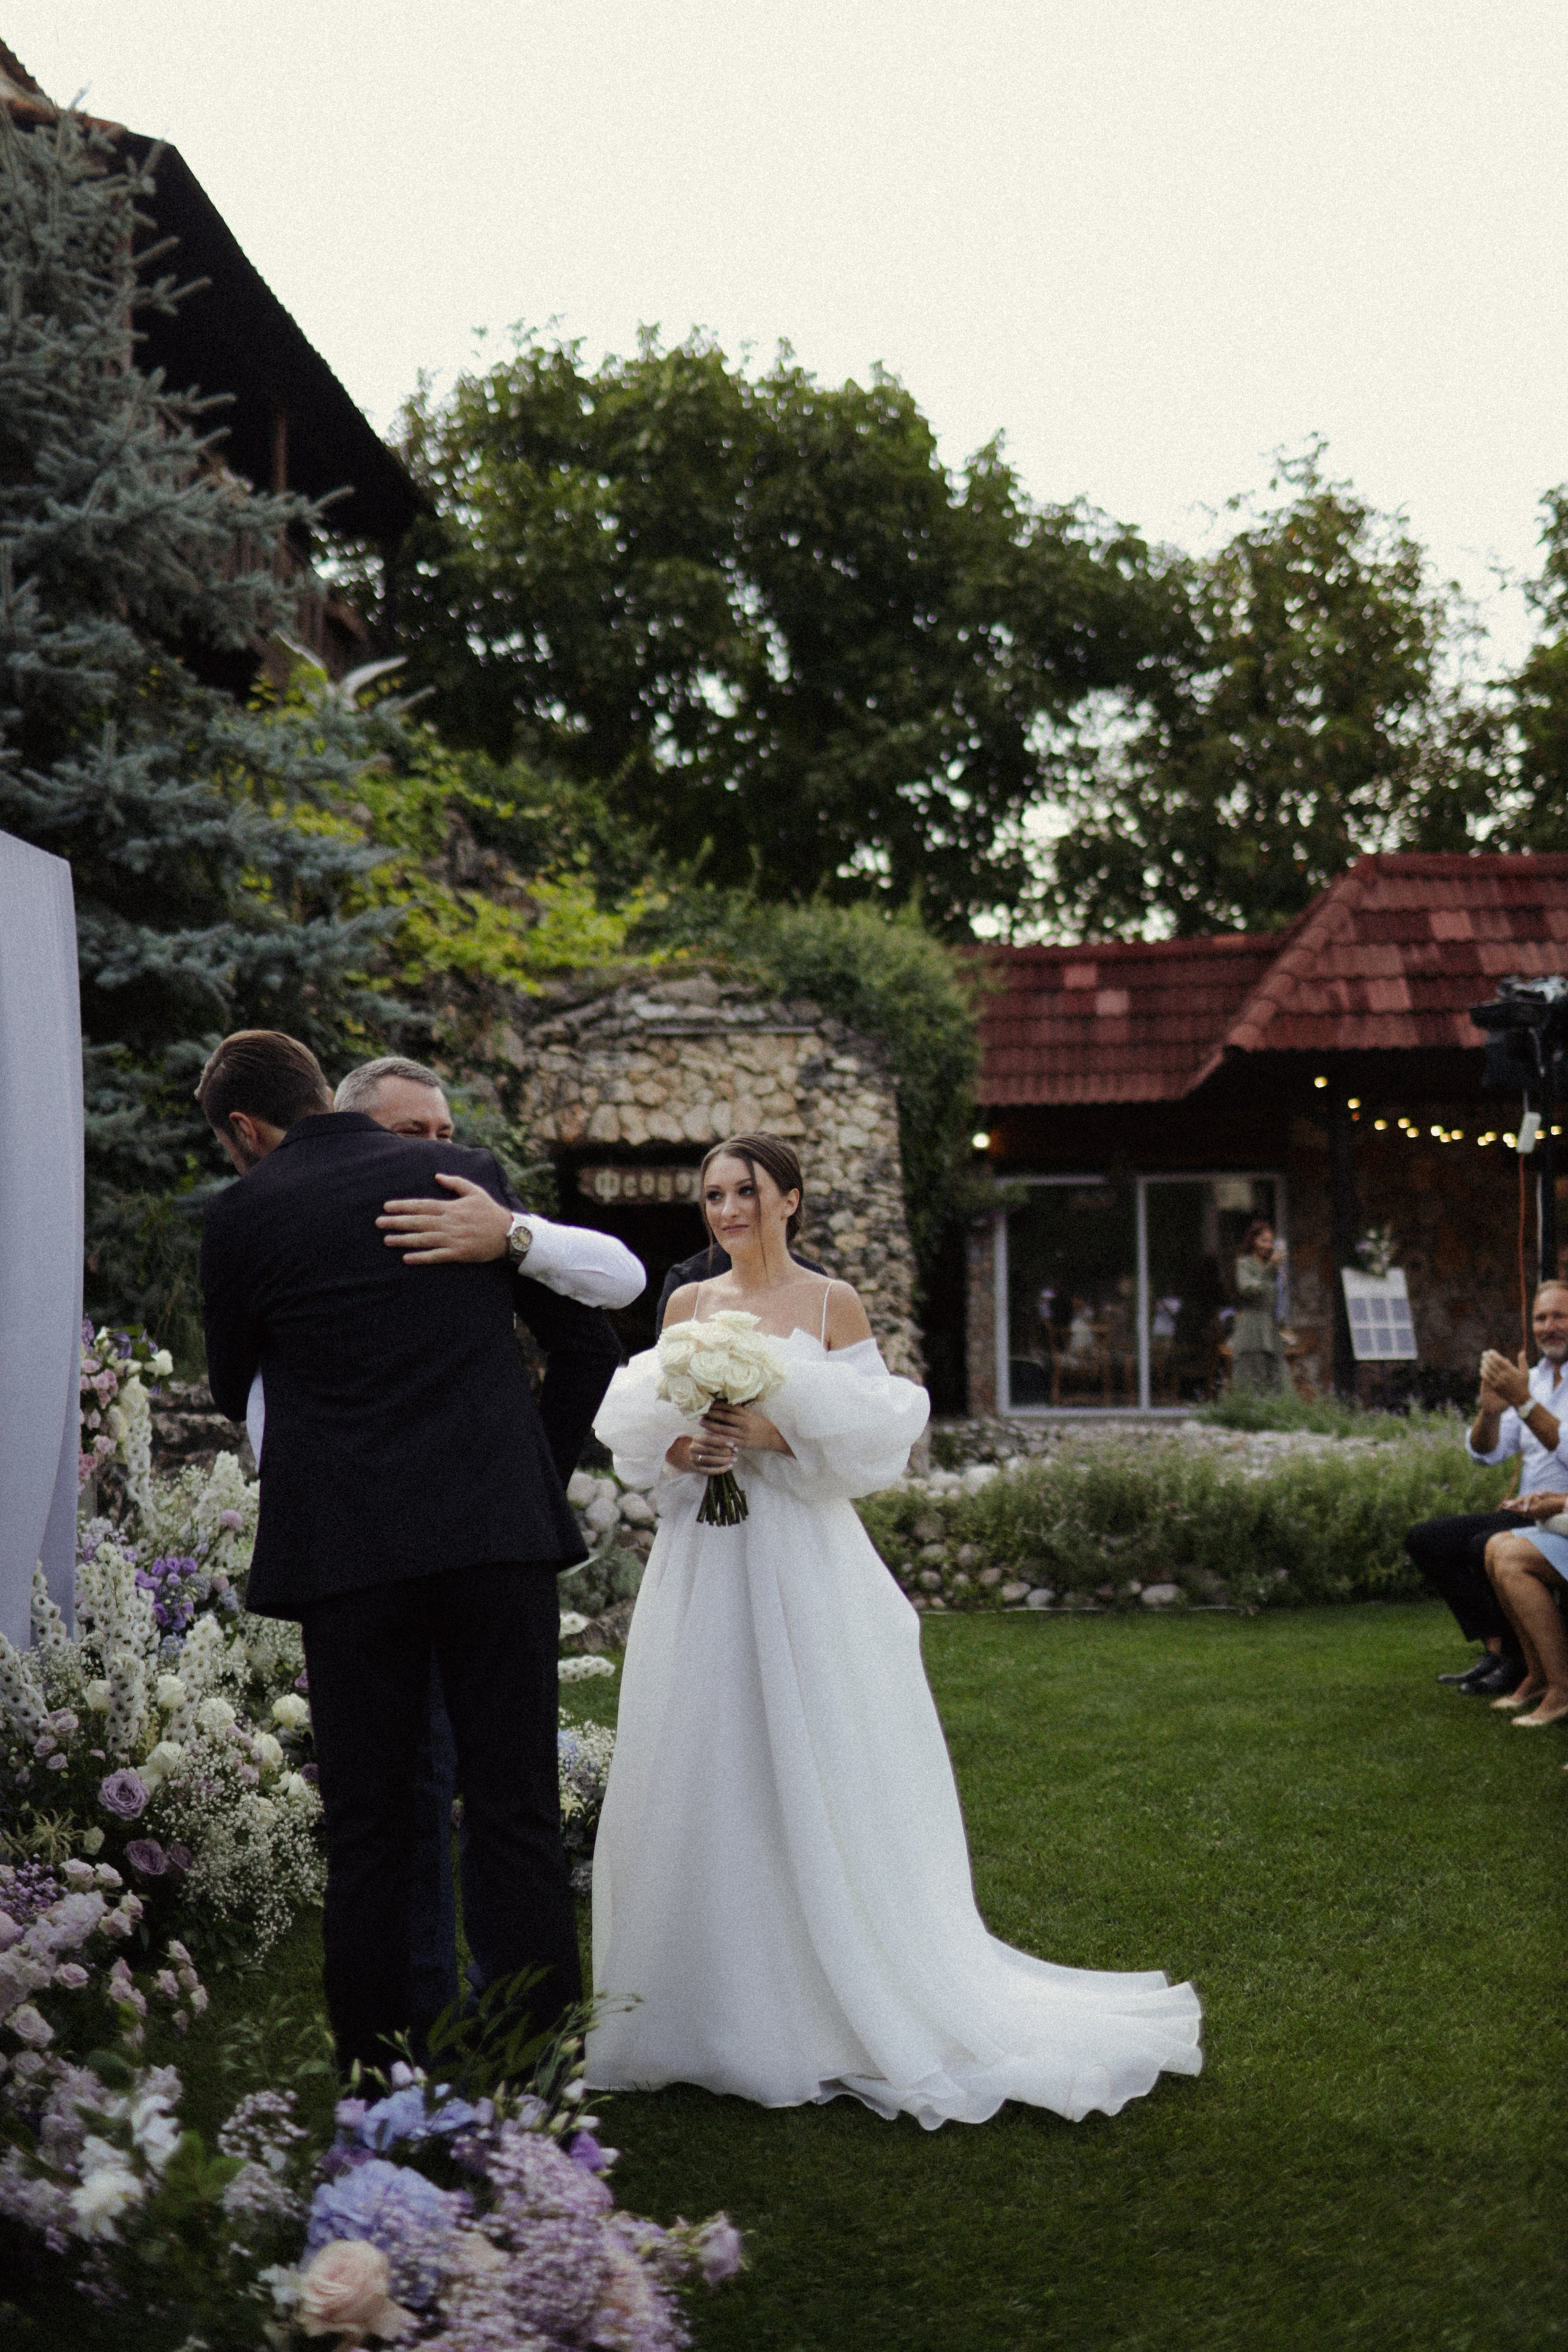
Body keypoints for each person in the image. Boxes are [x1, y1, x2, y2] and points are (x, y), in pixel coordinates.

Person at [585, 1132, 1202, 2127]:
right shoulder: (688, 1307)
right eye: (713, 1196)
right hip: (704, 1558)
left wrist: (773, 1430)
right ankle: (702, 2007)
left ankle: (829, 1994)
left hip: (798, 1557)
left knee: (810, 1749)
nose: (728, 1209)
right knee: (705, 1752)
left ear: (791, 1199)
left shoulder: (832, 1305)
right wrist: (689, 1444)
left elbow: (878, 1437)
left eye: (747, 1191)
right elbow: (642, 1440)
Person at [197, 1030, 625, 2076]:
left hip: (353, 1558)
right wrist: (529, 1462)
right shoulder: (461, 1177)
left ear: (245, 1130)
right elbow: (593, 1324)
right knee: (517, 1803)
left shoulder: (243, 1214)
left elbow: (231, 1385)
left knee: (376, 1825)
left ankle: (387, 2069)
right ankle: (535, 2060)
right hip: (493, 1540)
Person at [1405, 1281, 1568, 1697]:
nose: (1549, 1326)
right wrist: (1490, 1413)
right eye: (1541, 1318)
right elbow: (1484, 1454)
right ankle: (1499, 1650)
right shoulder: (1528, 1379)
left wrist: (1525, 1404)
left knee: (1484, 1543)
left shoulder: (1526, 1389)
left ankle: (1520, 1661)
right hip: (1523, 1511)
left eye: (1559, 1316)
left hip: (1560, 1513)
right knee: (1426, 1539)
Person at [1231, 1218, 1286, 1394]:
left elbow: (1279, 1297)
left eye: (1270, 1242)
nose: (1267, 1246)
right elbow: (1248, 1289)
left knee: (1278, 1379)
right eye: (1263, 1240)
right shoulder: (1244, 1264)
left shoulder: (1274, 1268)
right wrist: (1270, 1268)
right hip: (1252, 1327)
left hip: (1270, 1327)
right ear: (1253, 1240)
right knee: (1251, 1379)